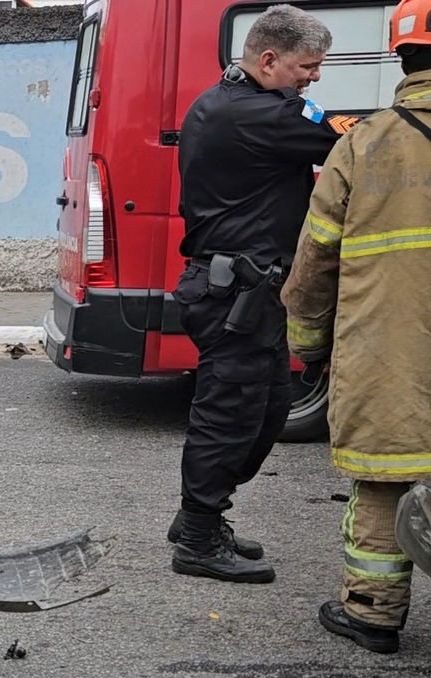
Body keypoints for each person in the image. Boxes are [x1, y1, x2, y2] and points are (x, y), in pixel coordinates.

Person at [167, 4, 352, 584]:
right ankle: (198, 536)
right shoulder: (261, 114)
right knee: (229, 416)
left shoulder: (225, 100)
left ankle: (200, 515)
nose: (314, 77)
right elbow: (354, 144)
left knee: (268, 408)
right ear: (268, 60)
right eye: (307, 67)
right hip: (234, 294)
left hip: (244, 291)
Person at [281, 0, 431, 654]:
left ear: (403, 57)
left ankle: (371, 611)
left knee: (384, 478)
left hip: (385, 355)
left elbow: (314, 265)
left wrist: (309, 347)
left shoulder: (363, 144)